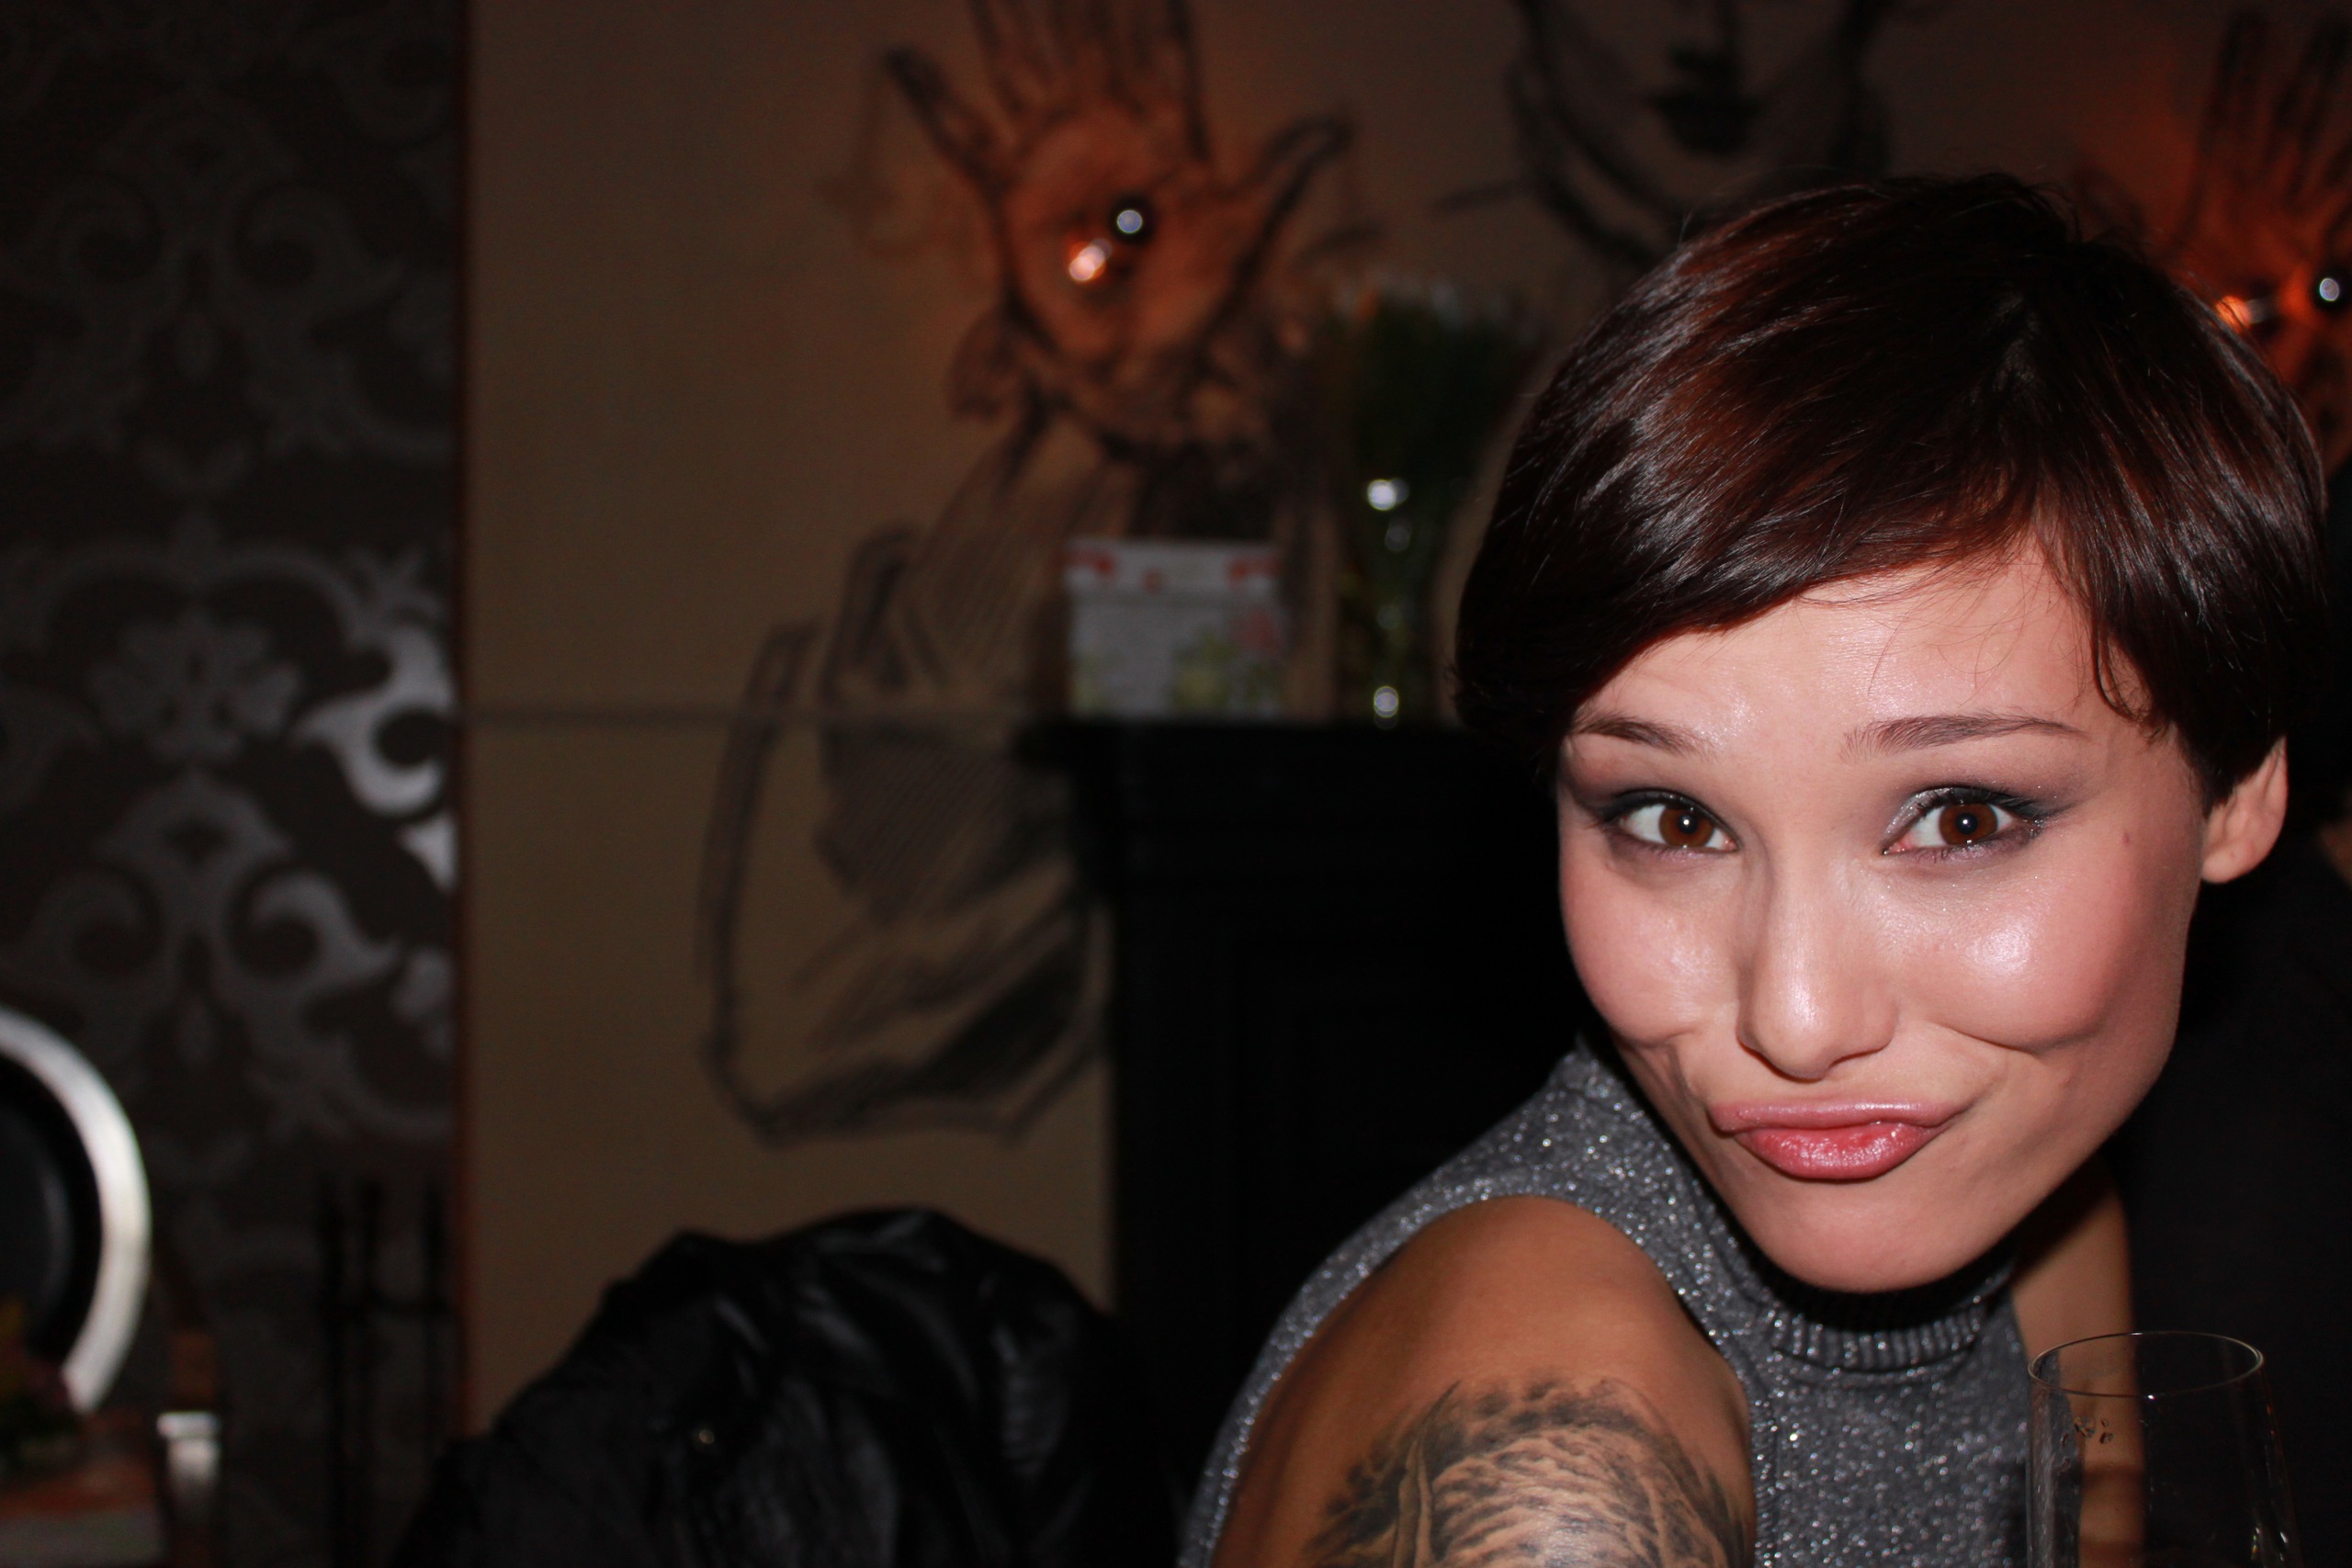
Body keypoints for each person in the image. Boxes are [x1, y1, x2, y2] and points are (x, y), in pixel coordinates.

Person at [1185, 175, 2329, 1568]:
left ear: (2238, 790)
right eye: (1674, 820)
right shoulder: (1553, 1483)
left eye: (1960, 820)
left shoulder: (2032, 1192)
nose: (1797, 1022)